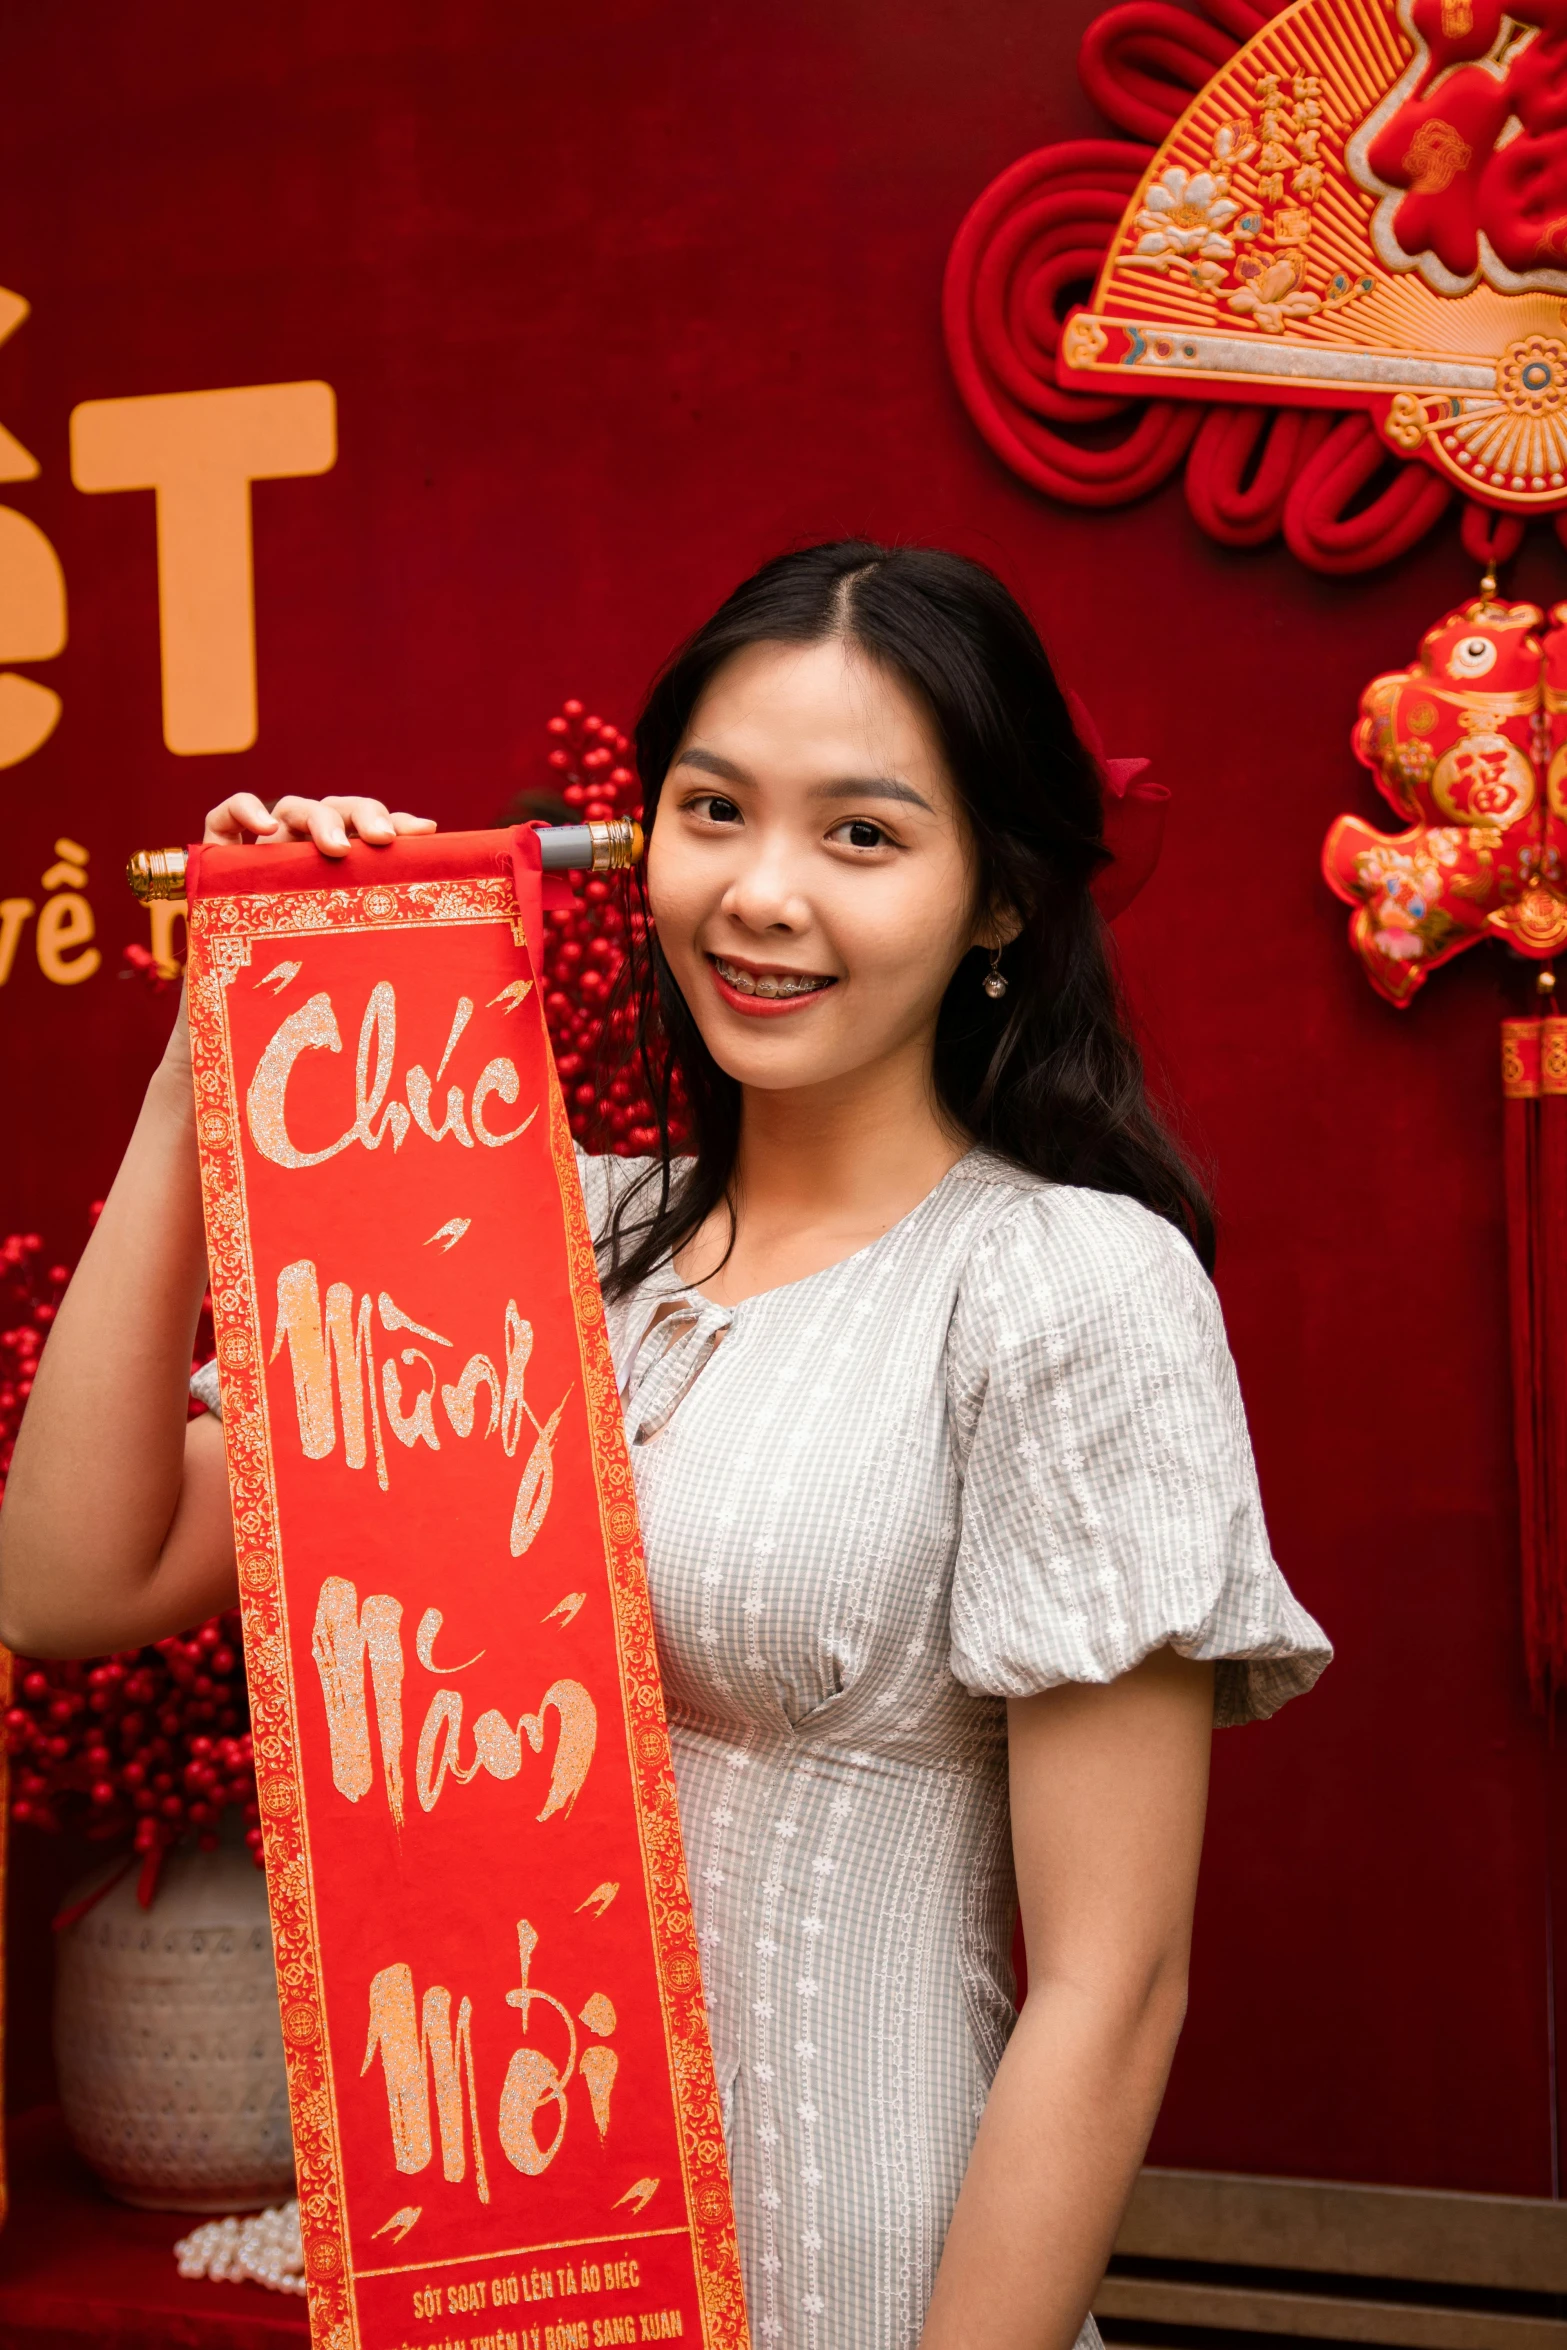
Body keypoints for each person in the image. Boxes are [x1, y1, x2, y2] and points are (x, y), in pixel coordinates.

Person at [0, 541, 1330, 2350]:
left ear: (998, 899)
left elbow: (1114, 1982)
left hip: (865, 2278)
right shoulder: (518, 1232)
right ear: (640, 845)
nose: (761, 892)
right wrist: (207, 1050)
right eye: (714, 810)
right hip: (492, 2283)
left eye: (861, 834)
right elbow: (66, 1581)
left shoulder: (1065, 1284)